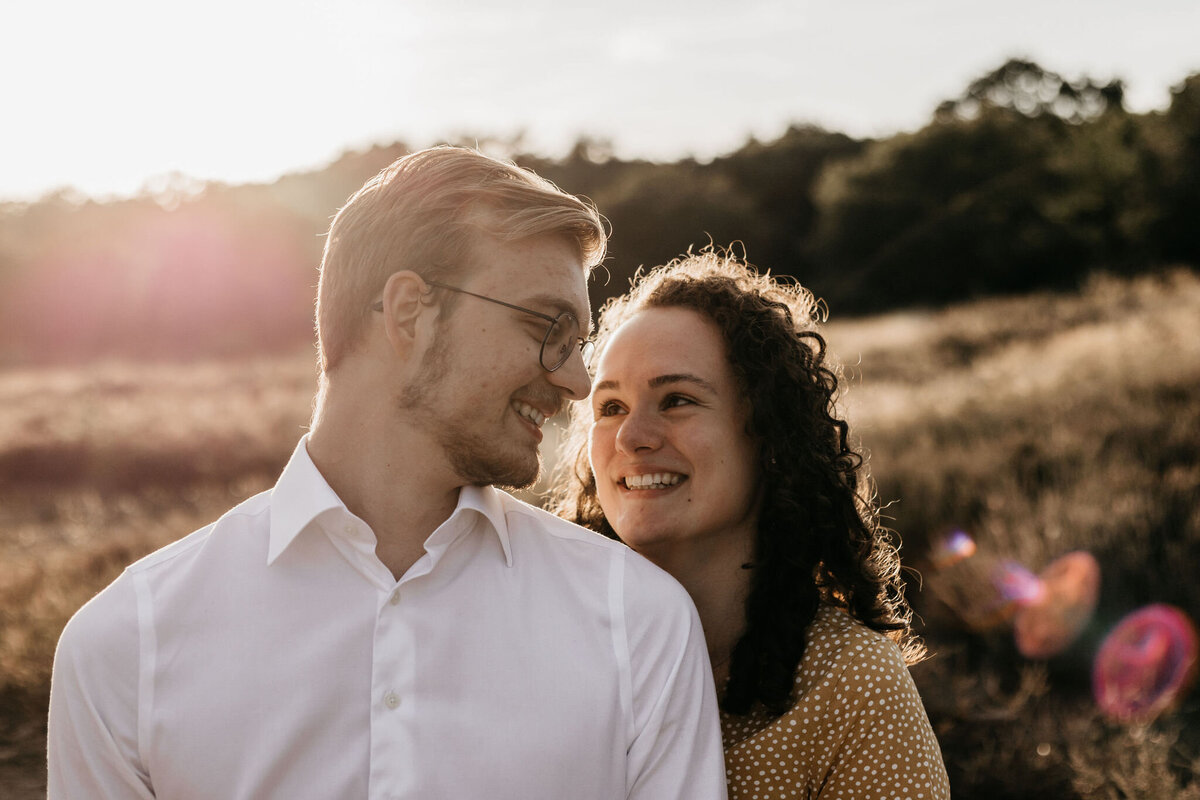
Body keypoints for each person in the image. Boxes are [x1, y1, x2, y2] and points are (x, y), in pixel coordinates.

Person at [47, 147, 728, 799]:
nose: (577, 382)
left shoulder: (638, 622)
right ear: (409, 313)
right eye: (548, 328)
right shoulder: (124, 646)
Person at [551, 247, 950, 799]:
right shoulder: (543, 642)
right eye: (611, 407)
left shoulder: (851, 685)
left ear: (768, 435)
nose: (631, 436)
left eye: (677, 400)